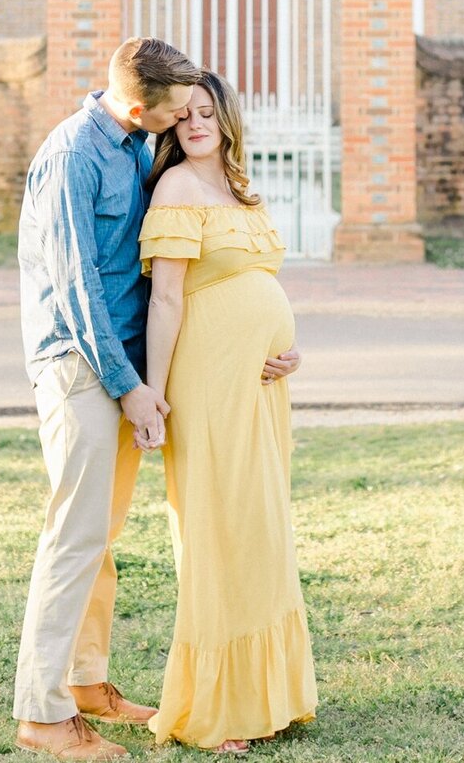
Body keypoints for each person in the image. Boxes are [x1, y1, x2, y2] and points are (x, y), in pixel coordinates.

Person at [13, 37, 202, 762]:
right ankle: (42, 713)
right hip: (81, 368)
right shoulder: (71, 157)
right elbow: (76, 286)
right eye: (176, 110)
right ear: (136, 105)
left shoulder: (131, 141)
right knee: (73, 538)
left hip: (121, 368)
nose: (185, 120)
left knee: (101, 540)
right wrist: (129, 390)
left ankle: (87, 682)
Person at [139, 72, 317, 753]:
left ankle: (266, 695)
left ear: (227, 118)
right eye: (184, 115)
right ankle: (217, 707)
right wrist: (154, 394)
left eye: (207, 112)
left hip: (265, 387)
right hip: (209, 384)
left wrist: (288, 347)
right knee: (220, 530)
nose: (195, 124)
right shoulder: (178, 188)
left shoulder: (241, 188)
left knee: (262, 530)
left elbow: (259, 284)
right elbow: (167, 300)